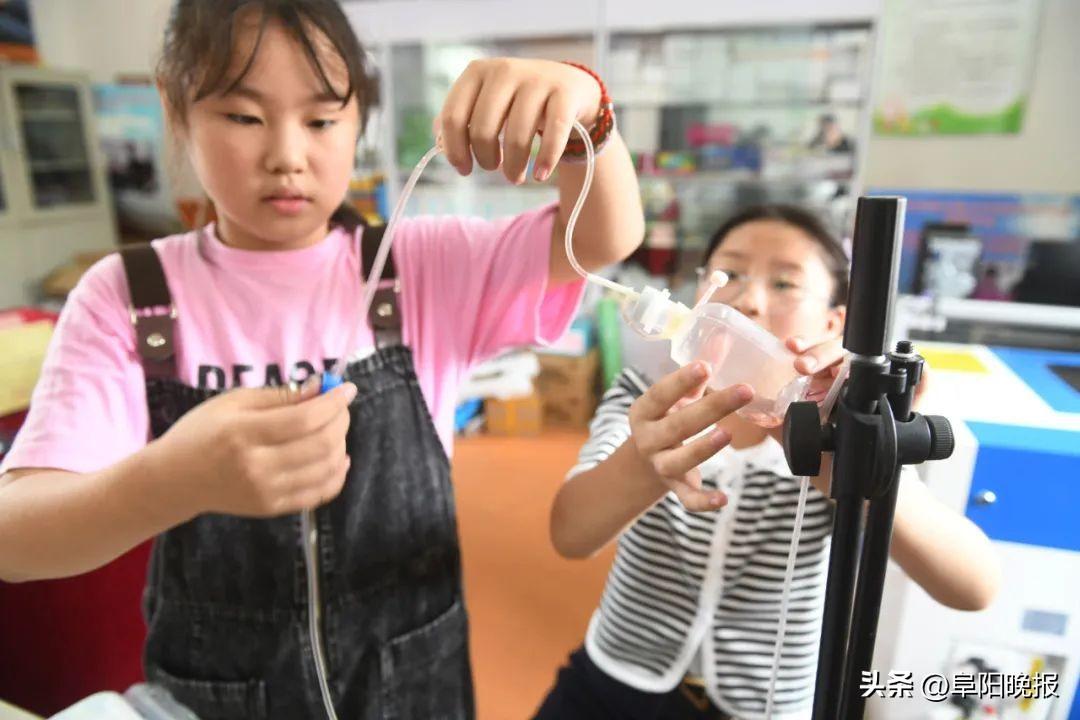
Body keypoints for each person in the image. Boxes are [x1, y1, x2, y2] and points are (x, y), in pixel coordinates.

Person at [0, 1, 643, 718]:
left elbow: (602, 238)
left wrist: (588, 114)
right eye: (244, 117)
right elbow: (14, 535)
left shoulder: (416, 266)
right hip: (214, 698)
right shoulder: (130, 297)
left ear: (359, 122)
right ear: (177, 114)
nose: (286, 154)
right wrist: (169, 482)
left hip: (414, 689)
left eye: (321, 120)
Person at [537, 204, 1001, 720]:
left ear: (835, 322)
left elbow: (973, 588)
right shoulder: (642, 400)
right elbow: (570, 536)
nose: (749, 300)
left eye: (785, 284)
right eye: (729, 274)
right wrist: (647, 459)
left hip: (765, 705)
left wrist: (856, 461)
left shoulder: (840, 428)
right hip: (616, 680)